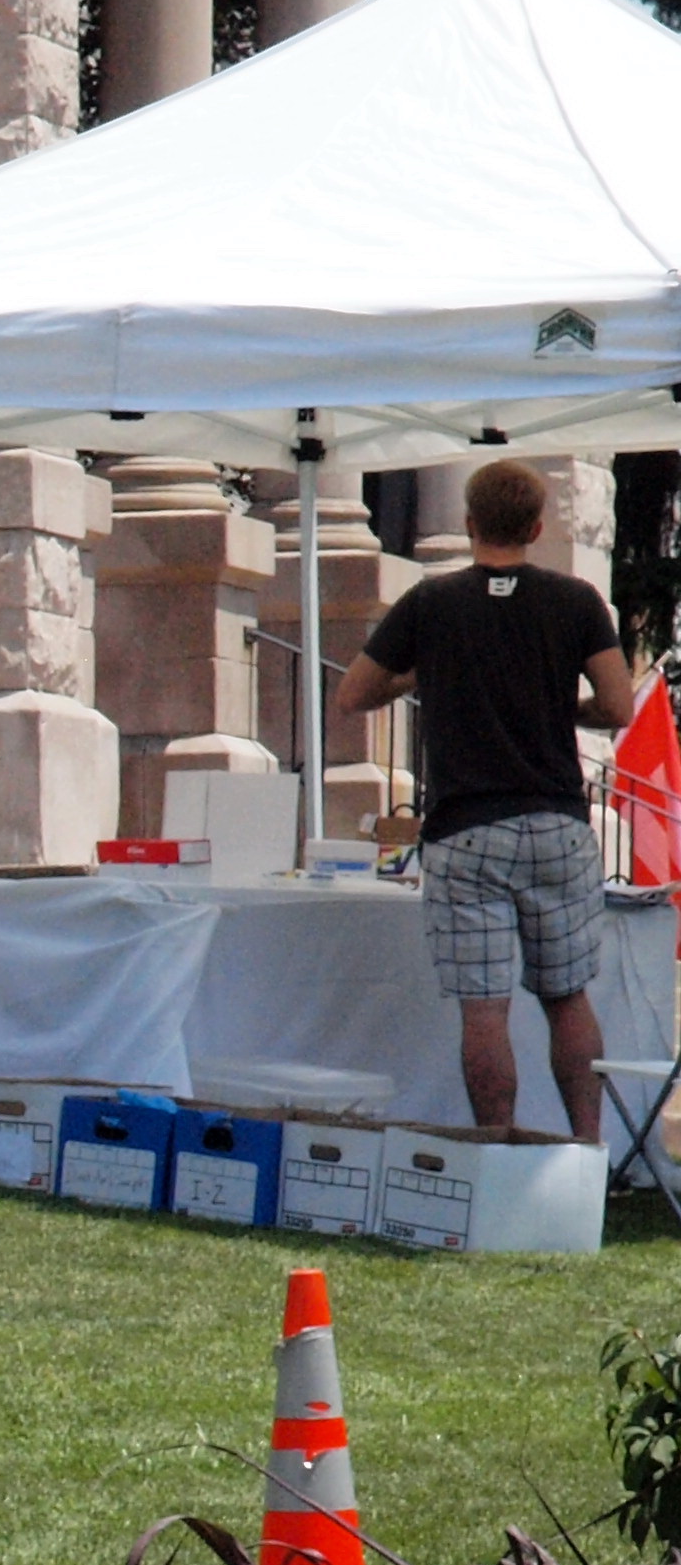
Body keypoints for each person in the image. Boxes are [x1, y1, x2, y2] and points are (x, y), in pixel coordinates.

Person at [329, 458, 637, 1136]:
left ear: (469, 524)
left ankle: (496, 1149)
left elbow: (353, 693)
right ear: (536, 527)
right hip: (556, 823)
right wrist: (559, 708)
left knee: (484, 1008)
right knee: (567, 999)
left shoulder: (431, 603)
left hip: (466, 828)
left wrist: (421, 677)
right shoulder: (576, 600)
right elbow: (618, 706)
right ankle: (586, 1149)